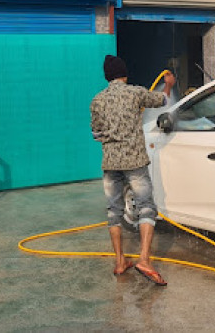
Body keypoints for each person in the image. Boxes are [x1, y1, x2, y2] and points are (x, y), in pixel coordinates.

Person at [90, 55, 175, 286]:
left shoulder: (97, 100)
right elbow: (164, 101)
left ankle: (120, 262)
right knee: (146, 207)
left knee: (113, 211)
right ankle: (144, 260)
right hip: (135, 162)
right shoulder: (136, 93)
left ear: (107, 76)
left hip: (110, 164)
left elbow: (95, 135)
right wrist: (168, 84)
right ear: (124, 74)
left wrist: (110, 137)